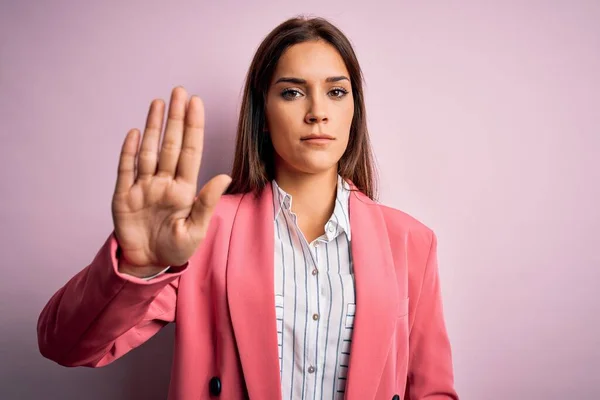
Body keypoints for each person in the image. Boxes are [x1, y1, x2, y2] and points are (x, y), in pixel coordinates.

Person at [37, 16, 459, 400]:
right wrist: (137, 267)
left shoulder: (412, 243)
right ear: (262, 112)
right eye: (292, 92)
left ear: (354, 110)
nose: (317, 113)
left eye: (335, 91)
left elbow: (432, 391)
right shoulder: (202, 232)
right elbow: (66, 346)